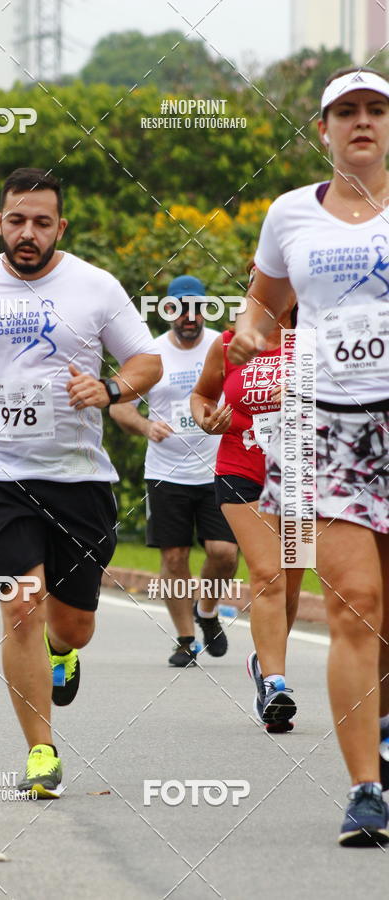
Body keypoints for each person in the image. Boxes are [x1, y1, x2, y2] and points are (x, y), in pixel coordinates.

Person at [0, 167, 162, 798]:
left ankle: (64, 652)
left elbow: (148, 361)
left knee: (72, 624)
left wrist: (111, 387)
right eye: (17, 220)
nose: (28, 234)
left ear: (61, 226)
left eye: (42, 222)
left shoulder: (95, 286)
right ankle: (40, 751)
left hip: (78, 477)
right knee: (19, 601)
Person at [227, 67, 389, 846]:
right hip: (329, 424)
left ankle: (382, 731)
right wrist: (254, 330)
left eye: (376, 110)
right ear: (323, 129)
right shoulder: (291, 213)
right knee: (355, 598)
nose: (362, 123)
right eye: (346, 112)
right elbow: (264, 300)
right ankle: (365, 791)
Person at [191, 264, 303, 732]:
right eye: (268, 280)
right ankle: (276, 683)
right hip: (241, 468)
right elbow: (202, 396)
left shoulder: (315, 340)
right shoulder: (229, 342)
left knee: (292, 583)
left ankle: (263, 661)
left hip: (302, 474)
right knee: (267, 572)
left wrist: (305, 390)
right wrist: (205, 418)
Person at [110, 275, 238, 666]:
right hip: (167, 472)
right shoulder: (151, 354)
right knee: (175, 558)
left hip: (218, 468)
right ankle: (185, 638)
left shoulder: (224, 345)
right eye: (180, 308)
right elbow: (118, 405)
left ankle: (208, 610)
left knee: (225, 554)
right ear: (168, 311)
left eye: (196, 308)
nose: (189, 317)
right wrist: (147, 425)